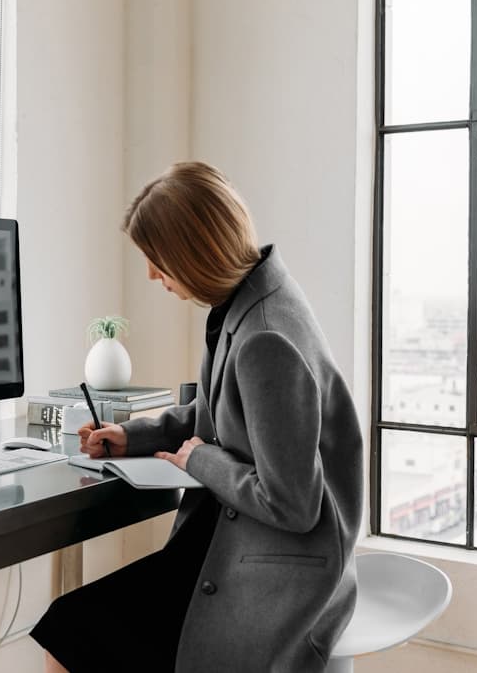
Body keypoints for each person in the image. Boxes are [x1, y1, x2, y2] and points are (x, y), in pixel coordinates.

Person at [30, 161, 364, 673]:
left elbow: (293, 506)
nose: (151, 274)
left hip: (276, 569)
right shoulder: (250, 299)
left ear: (192, 251)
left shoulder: (266, 338)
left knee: (69, 630)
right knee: (72, 626)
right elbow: (219, 411)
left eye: (157, 259)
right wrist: (130, 436)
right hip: (234, 542)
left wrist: (201, 460)